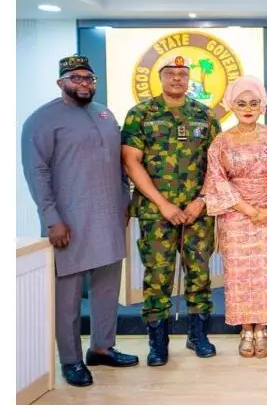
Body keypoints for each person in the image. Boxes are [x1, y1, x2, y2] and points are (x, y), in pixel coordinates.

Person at [21, 55, 139, 387]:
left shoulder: (104, 113)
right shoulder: (42, 120)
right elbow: (36, 172)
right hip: (69, 222)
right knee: (68, 298)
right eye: (76, 78)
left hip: (109, 216)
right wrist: (51, 219)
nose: (84, 84)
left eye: (89, 78)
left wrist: (125, 200)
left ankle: (101, 348)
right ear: (61, 82)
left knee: (107, 289)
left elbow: (118, 161)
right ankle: (71, 360)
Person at [121, 55, 221, 366]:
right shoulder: (141, 114)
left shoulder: (204, 115)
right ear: (160, 76)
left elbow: (217, 165)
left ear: (188, 78)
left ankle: (198, 335)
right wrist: (163, 204)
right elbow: (131, 162)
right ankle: (158, 343)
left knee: (199, 274)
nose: (177, 78)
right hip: (156, 212)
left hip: (197, 212)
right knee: (158, 277)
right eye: (171, 73)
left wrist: (201, 200)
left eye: (182, 73)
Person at [203, 76, 267, 358]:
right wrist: (247, 209)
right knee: (241, 275)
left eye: (253, 103)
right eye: (241, 103)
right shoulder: (221, 141)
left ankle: (263, 328)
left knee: (266, 274)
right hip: (236, 216)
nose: (248, 108)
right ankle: (246, 329)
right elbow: (217, 180)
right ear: (231, 105)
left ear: (262, 106)